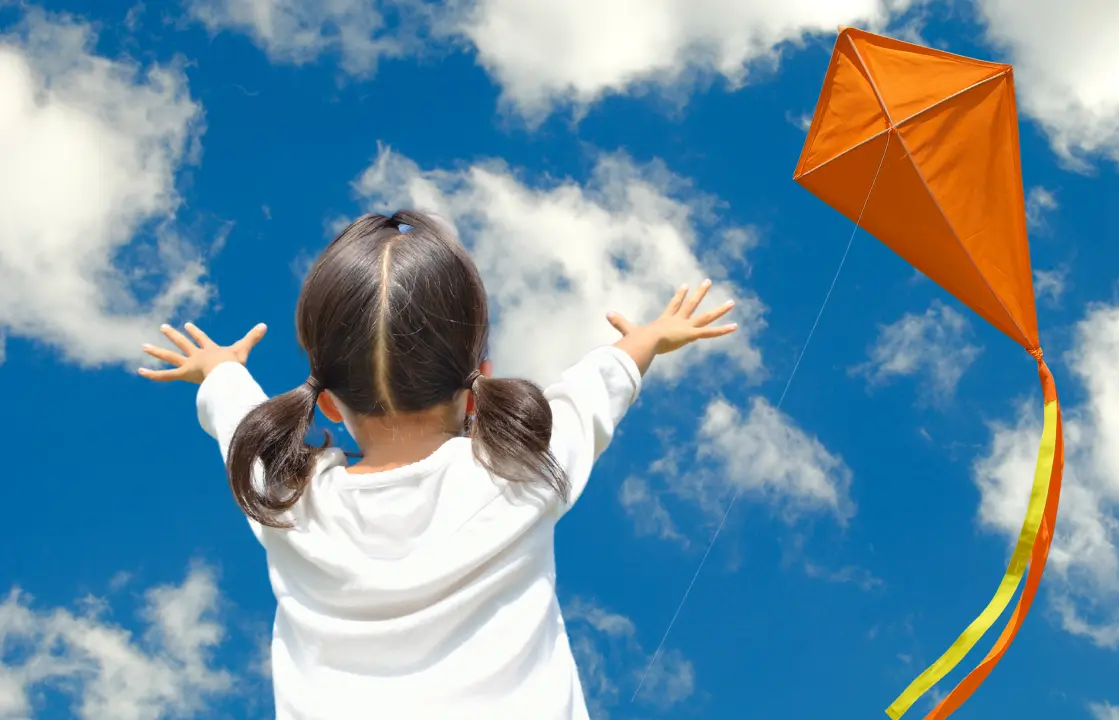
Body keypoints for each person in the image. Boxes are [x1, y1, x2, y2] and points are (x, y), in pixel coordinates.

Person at [139, 210, 738, 720]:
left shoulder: (288, 501)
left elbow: (242, 421)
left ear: (328, 405)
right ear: (478, 387)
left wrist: (219, 369)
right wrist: (650, 337)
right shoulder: (523, 468)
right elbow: (597, 387)